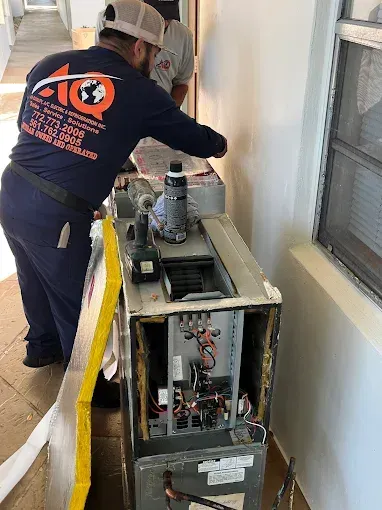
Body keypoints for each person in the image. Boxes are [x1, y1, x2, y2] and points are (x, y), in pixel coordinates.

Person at [0, 0, 227, 407]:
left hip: (12, 190)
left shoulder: (49, 64)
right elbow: (193, 137)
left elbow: (29, 125)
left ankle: (41, 347)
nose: (155, 60)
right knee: (77, 306)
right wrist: (223, 142)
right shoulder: (137, 90)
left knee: (32, 276)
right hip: (56, 214)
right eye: (155, 52)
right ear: (139, 47)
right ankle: (89, 392)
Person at [96, 0, 194, 107]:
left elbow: (181, 83)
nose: (164, 23)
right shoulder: (110, 20)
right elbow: (101, 64)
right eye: (157, 17)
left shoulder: (183, 35)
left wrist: (169, 112)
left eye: (169, 16)